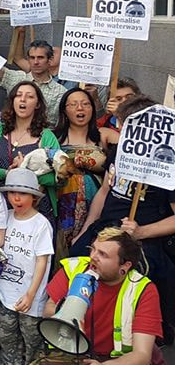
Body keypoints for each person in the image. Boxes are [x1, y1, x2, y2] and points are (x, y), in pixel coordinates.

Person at [71, 96, 175, 336]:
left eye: (125, 125)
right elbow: (104, 192)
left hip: (141, 241)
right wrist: (85, 230)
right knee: (76, 264)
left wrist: (142, 232)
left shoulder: (168, 162)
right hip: (105, 230)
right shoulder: (119, 151)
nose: (120, 130)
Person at [27, 227, 163, 365]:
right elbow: (48, 310)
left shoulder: (143, 289)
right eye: (93, 249)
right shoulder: (74, 269)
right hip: (72, 350)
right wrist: (70, 307)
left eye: (103, 254)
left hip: (117, 358)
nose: (93, 257)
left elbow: (142, 354)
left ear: (125, 266)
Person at [0, 168, 54, 365]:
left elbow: (42, 262)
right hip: (6, 293)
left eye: (23, 193)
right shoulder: (6, 217)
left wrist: (31, 294)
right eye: (12, 193)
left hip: (30, 297)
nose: (16, 198)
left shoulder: (41, 224)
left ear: (34, 196)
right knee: (7, 338)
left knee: (32, 341)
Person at [0, 81, 61, 223]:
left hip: (36, 209)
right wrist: (7, 173)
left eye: (29, 96)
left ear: (37, 104)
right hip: (0, 205)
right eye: (18, 95)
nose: (23, 99)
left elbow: (59, 177)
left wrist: (26, 173)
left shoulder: (46, 136)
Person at [53, 87, 109, 256]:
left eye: (85, 104)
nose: (80, 108)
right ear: (64, 110)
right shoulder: (53, 138)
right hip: (61, 203)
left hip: (95, 204)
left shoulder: (103, 136)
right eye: (74, 104)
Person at [0, 25, 67, 127]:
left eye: (40, 58)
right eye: (32, 57)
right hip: (13, 133)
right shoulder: (18, 78)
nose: (36, 62)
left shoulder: (60, 92)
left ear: (49, 60)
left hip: (43, 135)